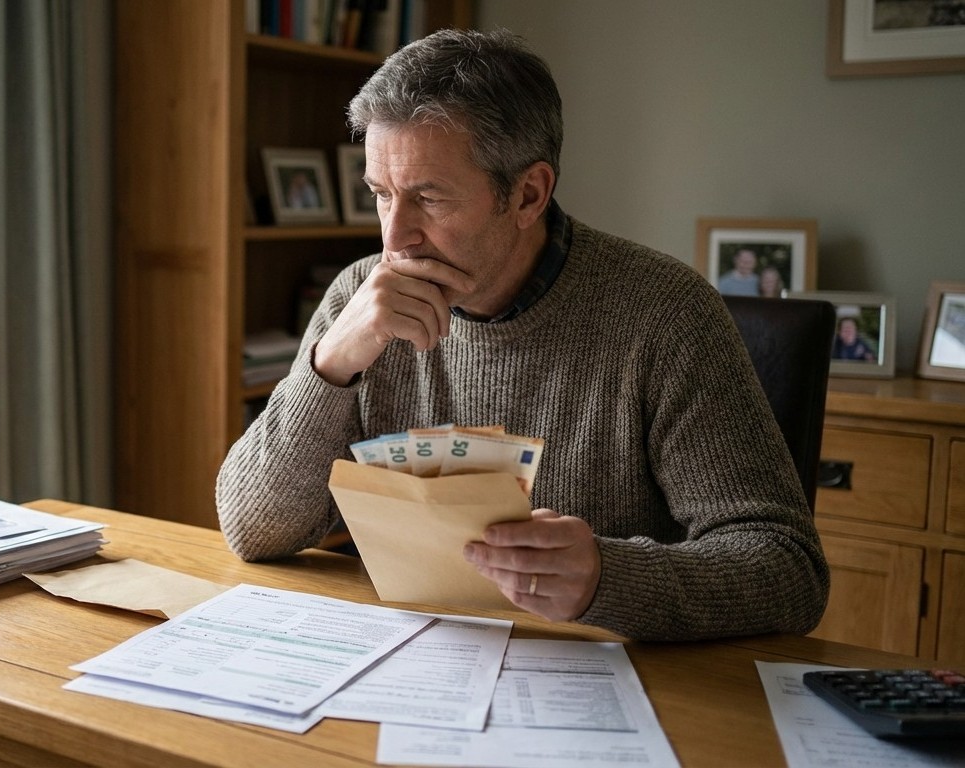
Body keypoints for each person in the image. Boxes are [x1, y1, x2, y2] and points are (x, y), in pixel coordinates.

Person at [215, 28, 827, 642]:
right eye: (381, 194)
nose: (394, 238)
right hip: (413, 664)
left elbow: (788, 571)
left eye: (429, 198)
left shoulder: (665, 315)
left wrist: (607, 579)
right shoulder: (360, 299)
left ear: (529, 193)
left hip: (610, 685)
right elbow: (252, 530)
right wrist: (330, 366)